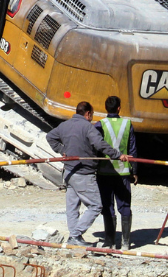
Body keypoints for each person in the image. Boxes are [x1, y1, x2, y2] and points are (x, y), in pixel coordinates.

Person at [46, 101, 122, 246]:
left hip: (68, 172)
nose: (92, 117)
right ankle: (75, 235)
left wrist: (61, 149)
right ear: (87, 114)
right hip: (83, 173)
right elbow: (100, 144)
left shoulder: (65, 125)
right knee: (95, 206)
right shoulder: (88, 127)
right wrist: (117, 155)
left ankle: (74, 239)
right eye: (92, 114)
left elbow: (50, 137)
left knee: (72, 207)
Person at [96, 96, 138, 250]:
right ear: (119, 108)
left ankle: (110, 242)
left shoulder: (100, 124)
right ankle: (126, 243)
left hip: (104, 172)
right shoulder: (127, 124)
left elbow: (96, 146)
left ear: (106, 107)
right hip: (123, 172)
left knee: (107, 206)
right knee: (125, 205)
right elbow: (132, 149)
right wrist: (135, 170)